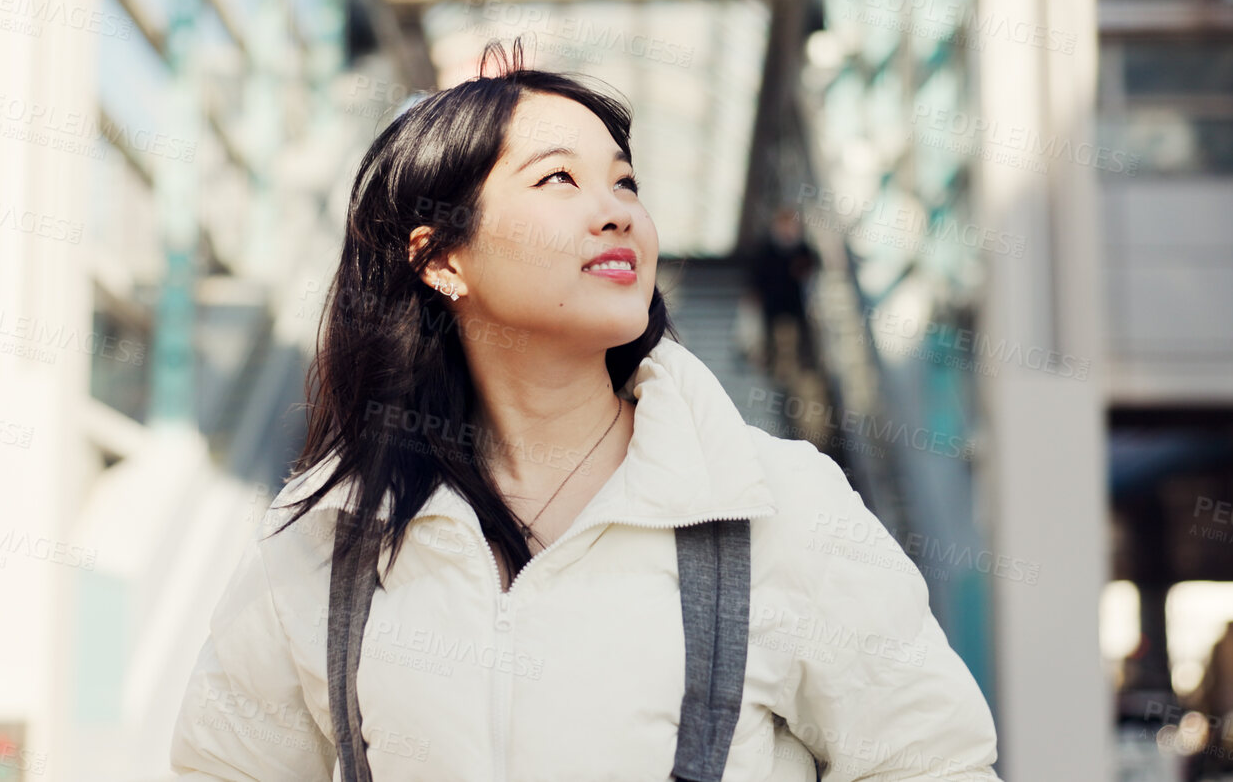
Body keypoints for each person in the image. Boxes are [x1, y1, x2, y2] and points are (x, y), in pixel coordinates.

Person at [170, 39, 1001, 781]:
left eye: (624, 180)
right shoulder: (326, 537)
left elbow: (933, 762)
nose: (618, 211)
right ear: (440, 259)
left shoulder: (778, 506)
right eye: (559, 178)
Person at [749, 206, 820, 373]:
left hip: (795, 308)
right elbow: (757, 277)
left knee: (792, 340)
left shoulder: (803, 250)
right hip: (773, 307)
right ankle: (776, 367)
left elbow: (812, 269)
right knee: (777, 340)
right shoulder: (766, 250)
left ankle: (792, 367)